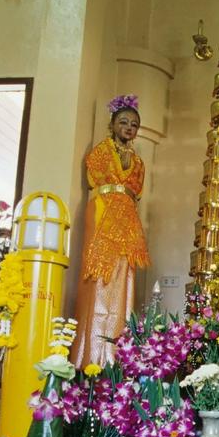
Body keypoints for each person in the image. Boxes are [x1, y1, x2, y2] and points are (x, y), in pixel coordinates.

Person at [70, 94, 149, 367]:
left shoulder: (138, 162)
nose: (129, 128)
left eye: (134, 125)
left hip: (127, 218)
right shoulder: (102, 151)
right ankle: (90, 355)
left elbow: (136, 190)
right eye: (124, 122)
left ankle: (116, 356)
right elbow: (97, 177)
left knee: (124, 276)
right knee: (99, 274)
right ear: (112, 124)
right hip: (103, 211)